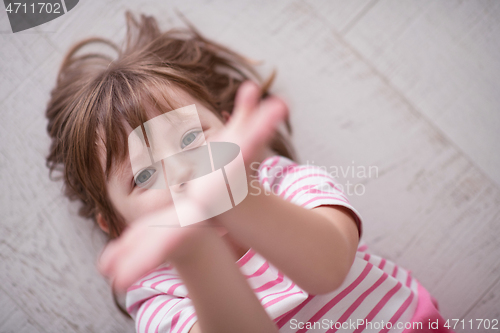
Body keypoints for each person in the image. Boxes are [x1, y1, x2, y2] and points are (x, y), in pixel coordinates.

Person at [45, 12, 452, 333]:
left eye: (191, 140)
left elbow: (329, 268)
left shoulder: (280, 181)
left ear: (230, 127)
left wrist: (233, 193)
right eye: (144, 176)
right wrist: (193, 251)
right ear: (116, 224)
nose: (184, 172)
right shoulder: (153, 291)